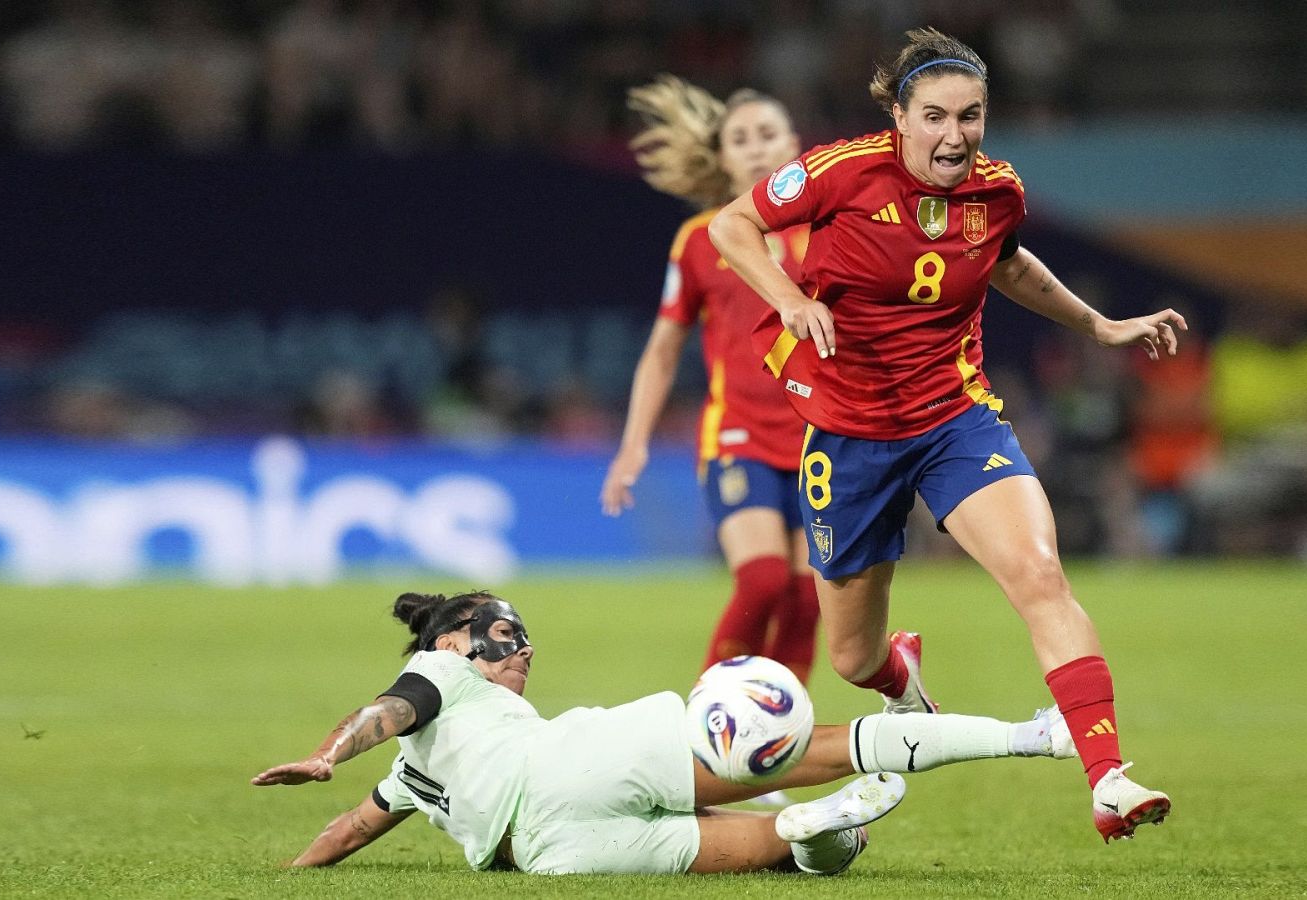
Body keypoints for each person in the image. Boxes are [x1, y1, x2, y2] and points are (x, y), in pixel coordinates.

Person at [707, 27, 1183, 842]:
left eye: (970, 117)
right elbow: (731, 227)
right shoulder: (840, 170)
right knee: (853, 657)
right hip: (849, 433)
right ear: (900, 115)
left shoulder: (1000, 191)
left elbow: (1007, 263)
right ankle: (902, 671)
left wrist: (1098, 325)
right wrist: (789, 297)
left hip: (952, 418)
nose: (954, 136)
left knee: (1039, 572)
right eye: (934, 116)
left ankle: (1107, 778)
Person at [251, 590, 1077, 875]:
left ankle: (809, 828)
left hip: (551, 857)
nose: (524, 645)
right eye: (506, 631)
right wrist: (328, 753)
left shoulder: (412, 777)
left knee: (781, 853)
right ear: (451, 640)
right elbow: (385, 712)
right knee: (825, 745)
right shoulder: (441, 675)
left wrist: (294, 868)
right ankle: (1036, 735)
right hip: (569, 768)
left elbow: (355, 825)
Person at [601, 76, 820, 682]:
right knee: (764, 579)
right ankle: (706, 723)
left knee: (808, 600)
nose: (755, 147)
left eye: (767, 134)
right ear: (721, 157)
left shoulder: (829, 232)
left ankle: (773, 750)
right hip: (739, 436)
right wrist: (633, 444)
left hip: (822, 439)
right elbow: (662, 351)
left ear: (795, 147)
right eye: (740, 138)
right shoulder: (699, 241)